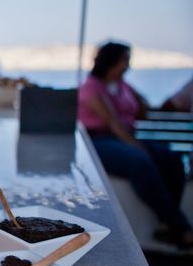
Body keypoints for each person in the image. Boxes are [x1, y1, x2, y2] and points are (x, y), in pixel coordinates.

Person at [78, 41, 192, 248]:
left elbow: (143, 112)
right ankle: (181, 227)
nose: (128, 65)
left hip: (124, 136)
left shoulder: (122, 86)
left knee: (172, 159)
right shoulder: (91, 88)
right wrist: (137, 147)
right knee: (140, 162)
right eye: (125, 60)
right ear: (111, 61)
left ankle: (167, 225)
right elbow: (112, 123)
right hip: (99, 140)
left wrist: (136, 94)